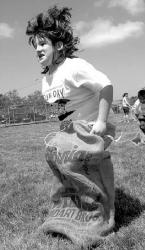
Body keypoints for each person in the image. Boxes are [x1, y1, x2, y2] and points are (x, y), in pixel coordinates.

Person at [26, 5, 115, 247]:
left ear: (59, 46)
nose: (38, 49)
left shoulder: (74, 67)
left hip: (91, 129)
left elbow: (106, 85)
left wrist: (101, 122)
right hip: (69, 133)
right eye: (35, 45)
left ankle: (98, 214)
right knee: (61, 163)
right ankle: (72, 210)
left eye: (43, 44)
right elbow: (61, 111)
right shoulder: (47, 79)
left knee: (85, 169)